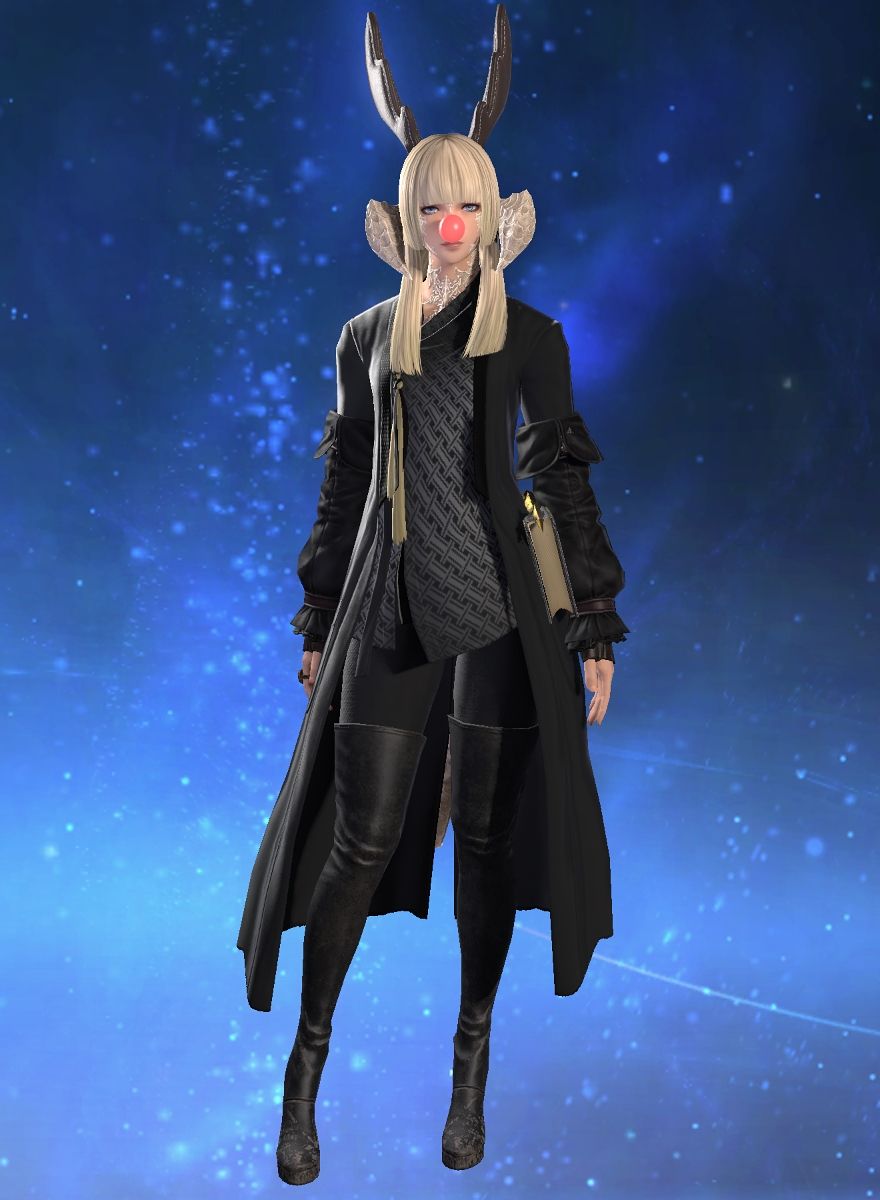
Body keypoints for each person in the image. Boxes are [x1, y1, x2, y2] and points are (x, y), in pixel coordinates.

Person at [257, 7, 630, 1186]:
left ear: (493, 214)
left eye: (466, 205)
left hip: (504, 615)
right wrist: (318, 615)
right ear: (407, 218)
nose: (450, 224)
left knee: (485, 845)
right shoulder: (367, 336)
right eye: (432, 207)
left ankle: (470, 1065)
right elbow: (344, 487)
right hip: (386, 605)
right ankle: (304, 1073)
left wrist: (590, 624)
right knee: (360, 842)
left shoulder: (529, 336)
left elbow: (559, 479)